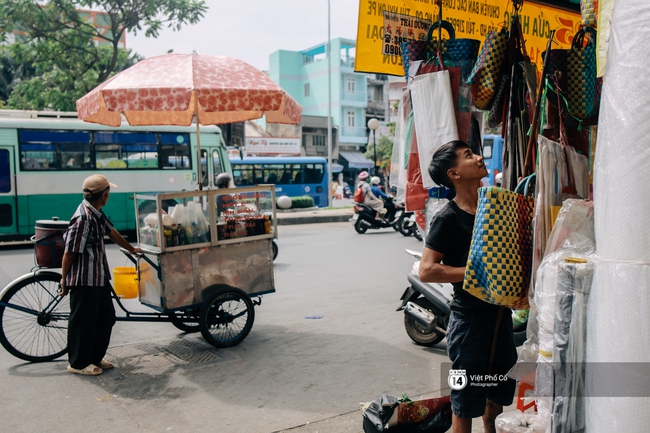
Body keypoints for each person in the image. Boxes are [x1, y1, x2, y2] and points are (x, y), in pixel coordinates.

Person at [418, 141, 517, 433]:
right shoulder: (448, 218)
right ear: (454, 174)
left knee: (495, 395)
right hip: (469, 324)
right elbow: (427, 270)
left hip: (500, 318)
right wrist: (475, 273)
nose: (477, 158)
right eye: (467, 156)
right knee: (464, 401)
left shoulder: (496, 208)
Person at [60, 174, 141, 376]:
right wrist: (64, 280)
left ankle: (94, 358)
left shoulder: (96, 213)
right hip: (84, 279)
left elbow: (111, 232)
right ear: (104, 195)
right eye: (108, 192)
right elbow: (69, 252)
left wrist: (132, 249)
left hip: (99, 276)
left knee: (106, 317)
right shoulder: (83, 219)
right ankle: (78, 363)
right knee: (83, 322)